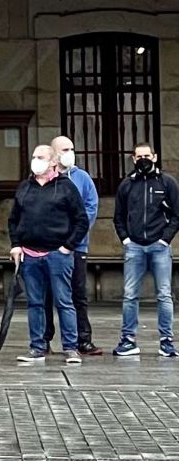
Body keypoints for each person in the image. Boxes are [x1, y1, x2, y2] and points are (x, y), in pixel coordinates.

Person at [10, 142, 89, 366]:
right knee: (35, 302)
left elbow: (81, 220)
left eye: (41, 157)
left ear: (53, 161)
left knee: (64, 301)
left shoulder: (66, 187)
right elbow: (14, 219)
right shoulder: (25, 187)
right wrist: (16, 244)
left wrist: (67, 247)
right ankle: (37, 346)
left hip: (57, 254)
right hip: (30, 255)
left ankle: (71, 348)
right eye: (34, 156)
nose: (36, 161)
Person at [113, 142, 179, 359]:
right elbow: (119, 216)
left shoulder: (167, 183)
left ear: (155, 156)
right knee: (130, 295)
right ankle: (128, 340)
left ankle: (166, 341)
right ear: (133, 159)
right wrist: (125, 239)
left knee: (164, 295)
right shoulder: (126, 184)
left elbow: (177, 215)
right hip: (134, 247)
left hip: (159, 246)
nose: (143, 159)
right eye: (139, 156)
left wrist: (165, 239)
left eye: (147, 155)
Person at [45, 134, 102, 356]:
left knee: (78, 294)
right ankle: (44, 339)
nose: (69, 153)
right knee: (47, 295)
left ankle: (83, 340)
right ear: (53, 154)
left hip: (76, 247)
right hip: (49, 247)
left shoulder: (83, 178)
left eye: (71, 149)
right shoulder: (45, 178)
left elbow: (91, 208)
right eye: (64, 150)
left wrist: (73, 236)